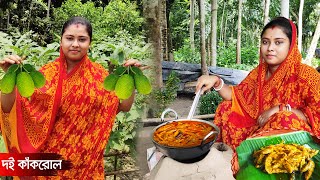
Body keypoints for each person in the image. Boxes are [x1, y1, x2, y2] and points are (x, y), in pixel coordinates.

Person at [0, 16, 142, 178]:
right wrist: (9, 78)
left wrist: (131, 79)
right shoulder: (45, 75)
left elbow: (124, 106)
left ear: (89, 43)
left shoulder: (100, 77)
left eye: (82, 39)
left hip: (85, 166)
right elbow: (10, 107)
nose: (75, 44)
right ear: (61, 41)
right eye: (69, 38)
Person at [196, 17, 320, 173]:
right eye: (266, 42)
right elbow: (237, 96)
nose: (270, 48)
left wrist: (281, 109)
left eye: (278, 42)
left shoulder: (306, 75)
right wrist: (216, 81)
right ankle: (239, 158)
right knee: (226, 108)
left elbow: (316, 114)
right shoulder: (259, 73)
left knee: (283, 118)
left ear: (291, 45)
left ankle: (267, 163)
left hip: (291, 132)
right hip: (259, 125)